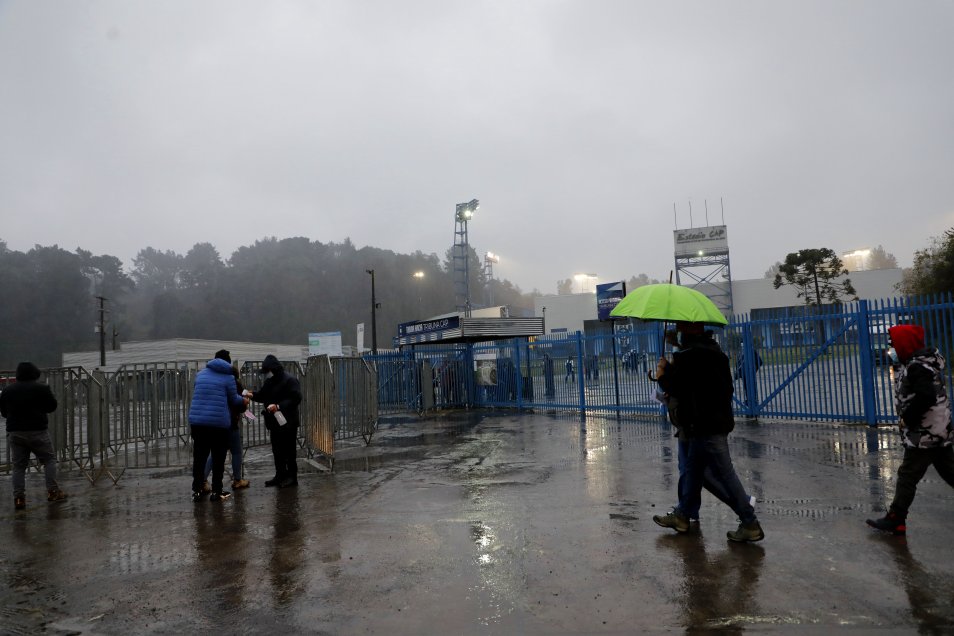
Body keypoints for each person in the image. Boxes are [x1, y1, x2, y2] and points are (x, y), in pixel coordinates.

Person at [652, 321, 764, 542]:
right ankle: (682, 515)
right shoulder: (716, 353)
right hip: (715, 422)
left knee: (723, 474)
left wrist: (662, 374)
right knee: (693, 472)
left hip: (703, 426)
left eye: (682, 328)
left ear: (691, 331)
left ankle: (750, 522)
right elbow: (722, 387)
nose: (680, 332)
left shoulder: (689, 357)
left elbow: (678, 388)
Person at [867, 324, 954, 535]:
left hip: (925, 433)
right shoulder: (918, 364)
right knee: (949, 471)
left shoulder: (918, 367)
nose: (891, 348)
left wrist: (907, 418)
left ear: (905, 344)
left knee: (908, 475)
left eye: (894, 344)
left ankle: (896, 519)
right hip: (936, 430)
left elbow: (926, 396)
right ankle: (896, 518)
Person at [0, 362, 67, 510]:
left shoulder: (7, 390)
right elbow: (52, 406)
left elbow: (4, 412)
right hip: (38, 431)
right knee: (49, 460)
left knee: (18, 467)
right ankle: (53, 492)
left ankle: (19, 498)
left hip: (15, 433)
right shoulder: (42, 388)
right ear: (34, 373)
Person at [189, 350, 248, 502]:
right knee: (218, 457)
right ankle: (217, 492)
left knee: (199, 458)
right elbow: (233, 400)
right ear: (228, 363)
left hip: (197, 423)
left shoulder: (200, 374)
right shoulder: (228, 377)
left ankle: (197, 490)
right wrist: (244, 401)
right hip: (218, 424)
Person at [247, 354, 302, 489]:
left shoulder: (290, 380)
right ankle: (280, 475)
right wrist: (251, 395)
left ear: (274, 369)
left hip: (288, 423)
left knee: (289, 451)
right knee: (277, 451)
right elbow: (262, 395)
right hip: (274, 423)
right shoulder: (270, 382)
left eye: (268, 371)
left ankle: (292, 477)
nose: (267, 374)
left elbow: (296, 398)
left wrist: (278, 406)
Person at [201, 359, 250, 493]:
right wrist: (245, 402)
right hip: (229, 423)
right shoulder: (232, 383)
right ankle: (238, 480)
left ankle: (202, 480)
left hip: (214, 423)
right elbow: (238, 404)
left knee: (215, 453)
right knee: (236, 451)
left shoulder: (211, 381)